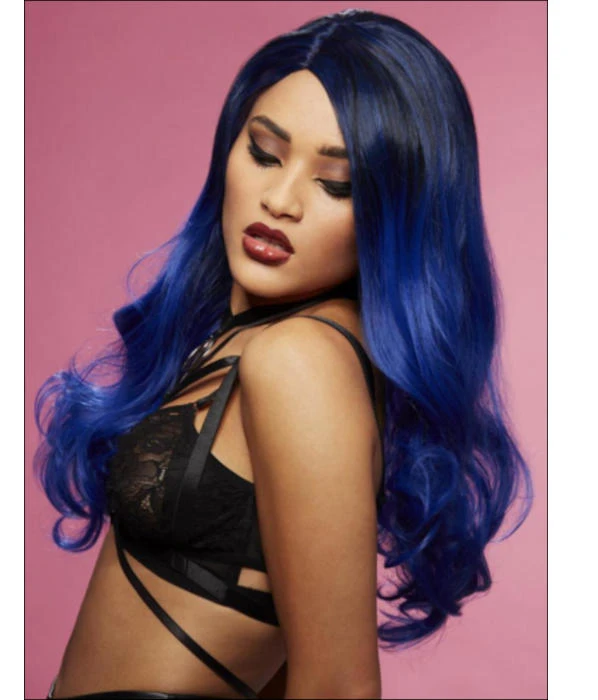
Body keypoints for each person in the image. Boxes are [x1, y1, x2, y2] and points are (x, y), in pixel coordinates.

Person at [33, 8, 533, 699]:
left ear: (399, 212)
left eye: (336, 184)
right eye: (265, 153)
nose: (280, 200)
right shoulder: (261, 338)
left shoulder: (299, 359)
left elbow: (337, 688)